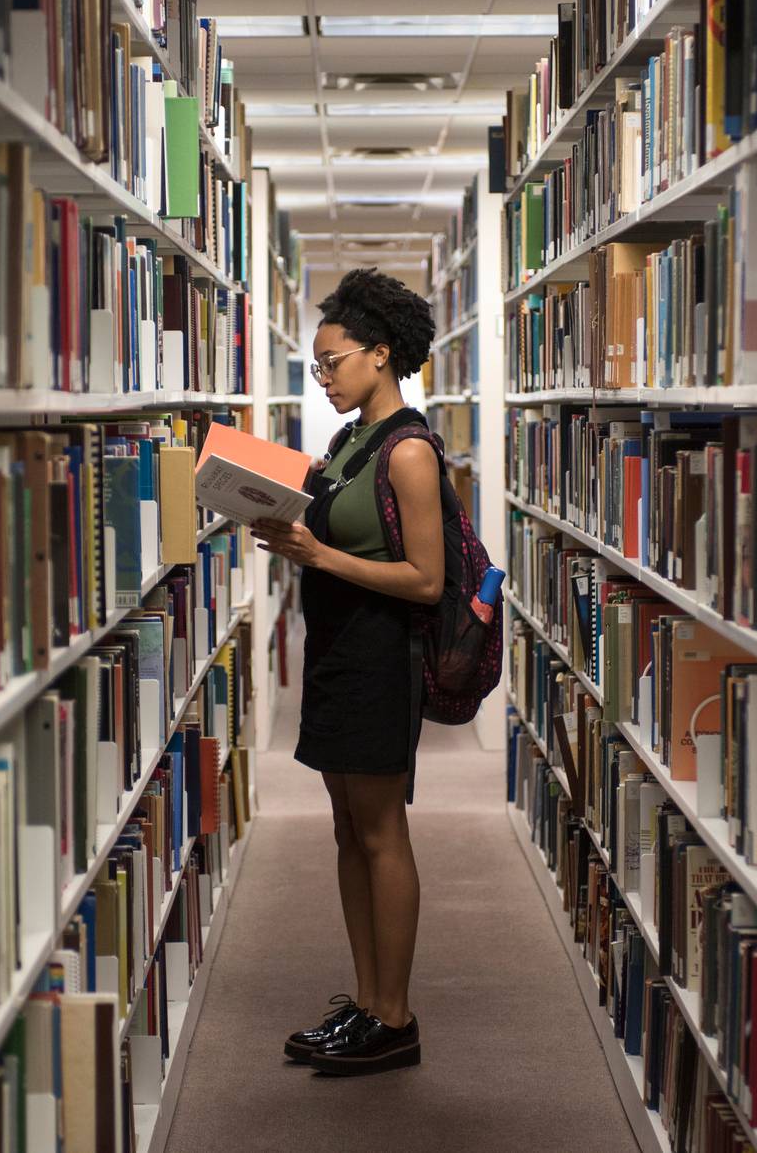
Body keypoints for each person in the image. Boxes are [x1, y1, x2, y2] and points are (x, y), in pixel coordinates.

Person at [251, 268, 441, 1076]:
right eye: (317, 365)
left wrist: (318, 552)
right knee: (345, 829)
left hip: (378, 657)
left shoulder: (409, 453)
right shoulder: (346, 440)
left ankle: (395, 1017)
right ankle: (365, 1002)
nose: (324, 376)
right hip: (335, 649)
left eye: (333, 362)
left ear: (381, 355)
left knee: (379, 831)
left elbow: (426, 580)